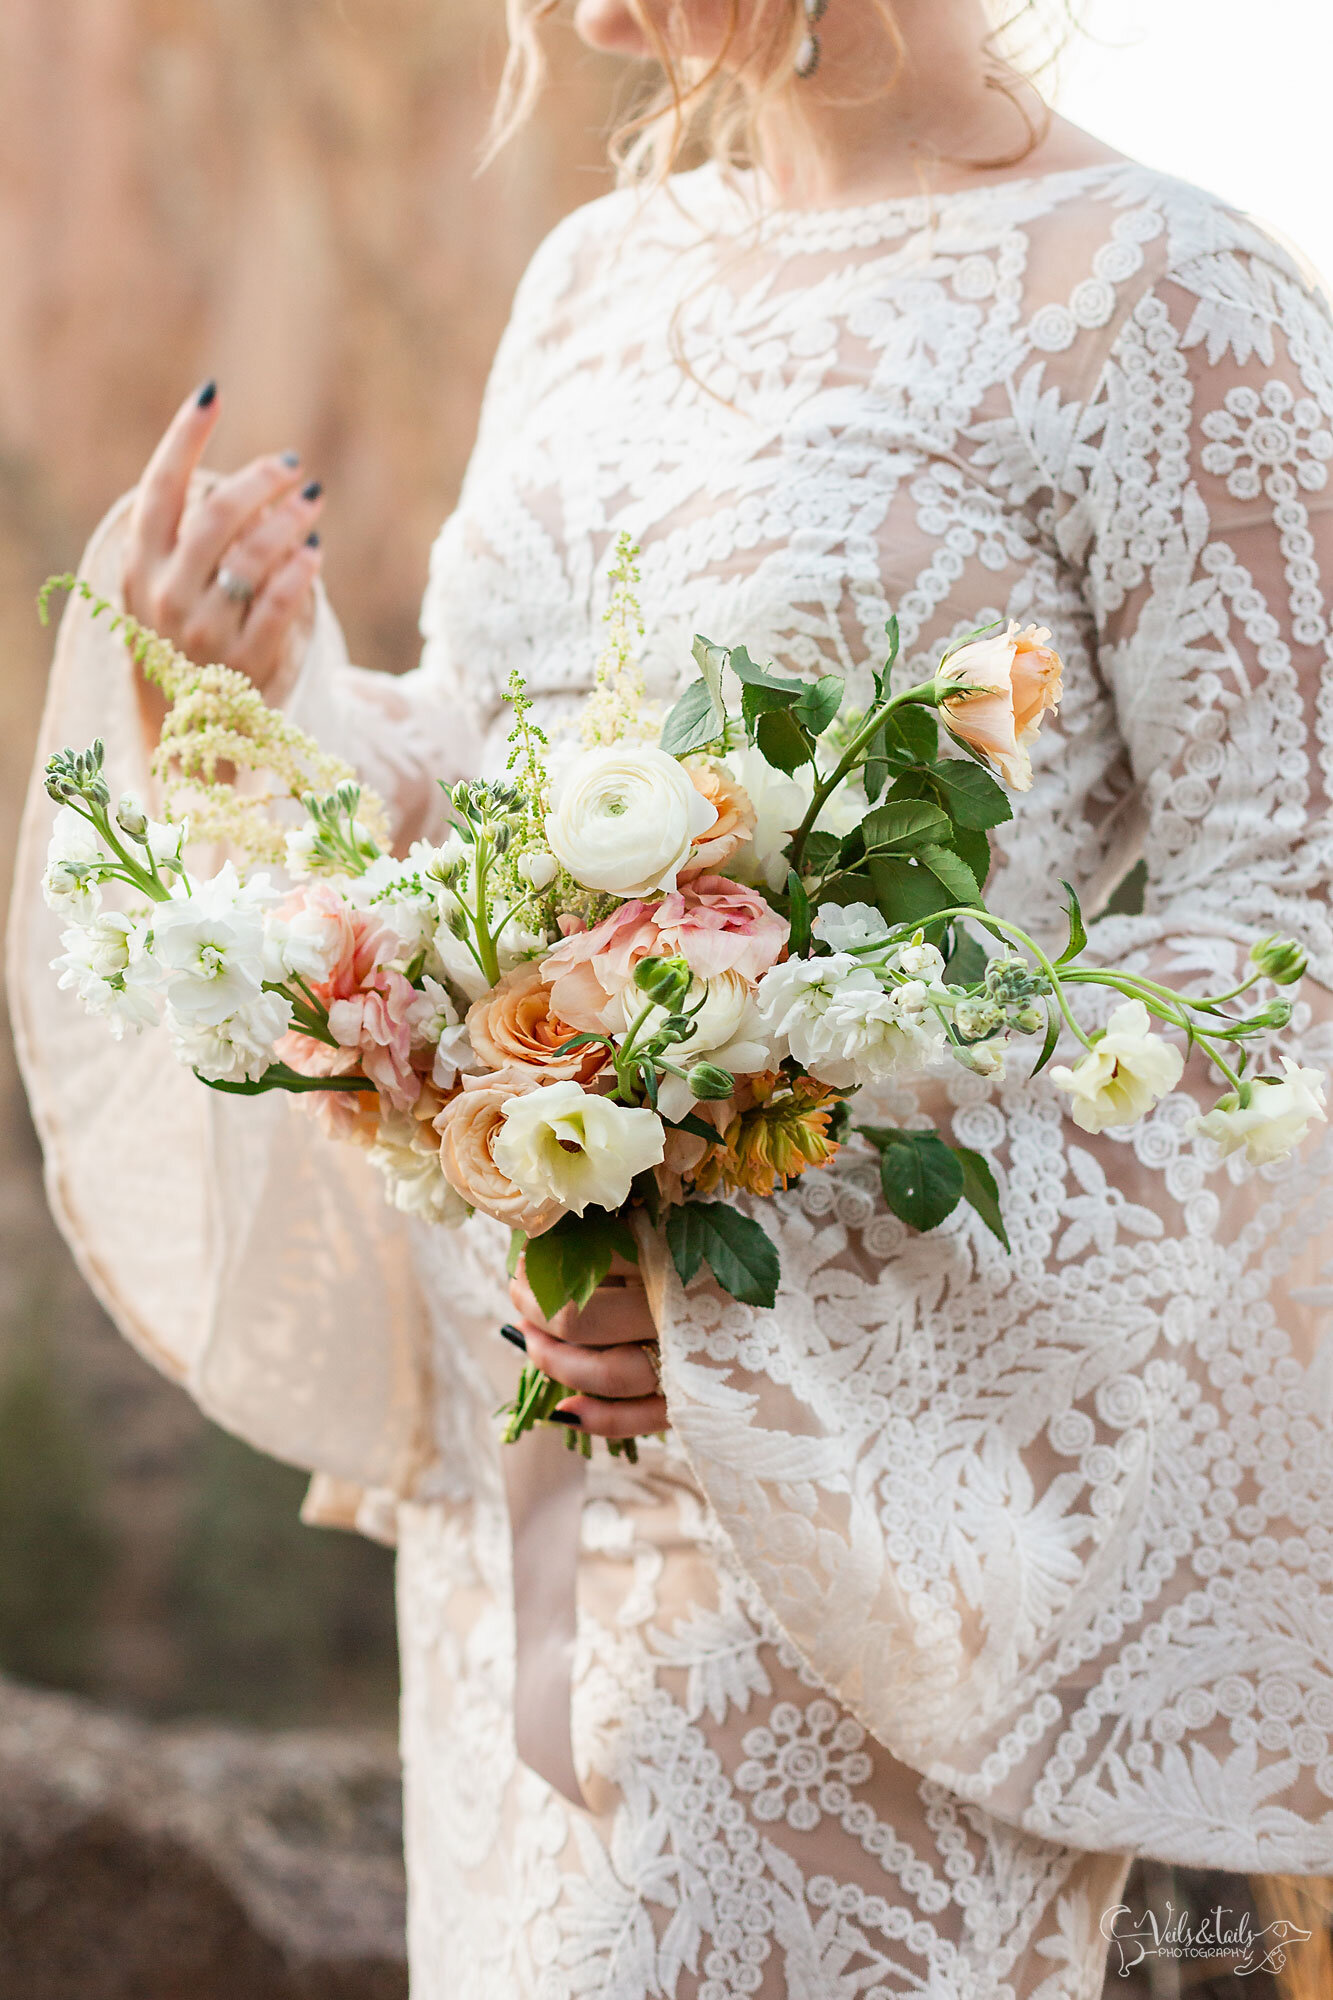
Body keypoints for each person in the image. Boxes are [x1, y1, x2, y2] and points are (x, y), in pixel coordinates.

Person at [12, 1, 1333, 1992]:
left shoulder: (1163, 296)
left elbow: (1281, 924)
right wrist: (263, 689)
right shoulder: (595, 277)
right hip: (523, 1478)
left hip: (862, 1508)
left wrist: (783, 1227)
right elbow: (480, 780)